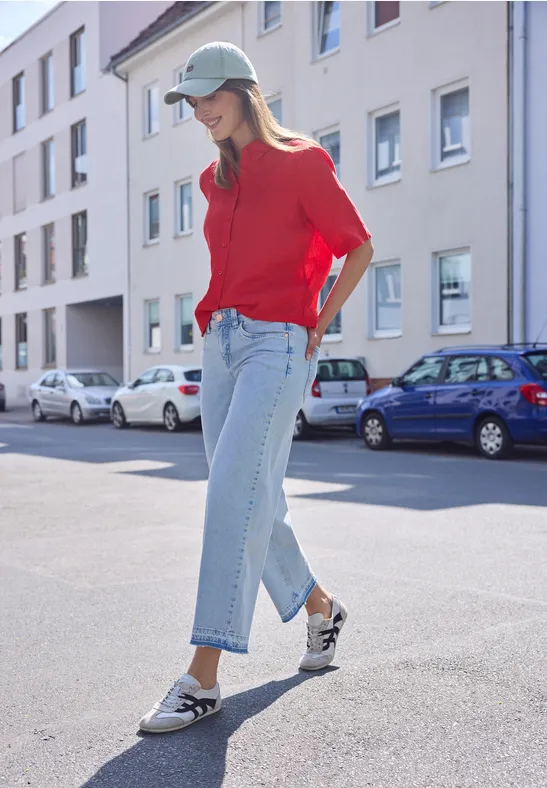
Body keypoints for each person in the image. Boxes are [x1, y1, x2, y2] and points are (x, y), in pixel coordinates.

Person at [139, 41, 373, 734]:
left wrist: (317, 325)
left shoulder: (302, 161)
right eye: (190, 102)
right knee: (254, 497)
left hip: (278, 344)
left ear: (245, 91)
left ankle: (202, 674)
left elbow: (356, 244)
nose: (200, 110)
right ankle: (322, 610)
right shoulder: (214, 181)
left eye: (210, 95)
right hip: (221, 345)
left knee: (229, 496)